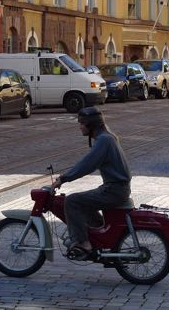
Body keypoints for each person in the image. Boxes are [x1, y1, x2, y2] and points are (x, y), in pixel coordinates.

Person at [51, 106, 132, 260]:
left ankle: (83, 243)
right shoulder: (107, 137)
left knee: (72, 201)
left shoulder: (104, 140)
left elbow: (86, 165)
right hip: (117, 188)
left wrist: (63, 178)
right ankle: (97, 235)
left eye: (82, 123)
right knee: (85, 202)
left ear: (91, 125)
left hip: (114, 190)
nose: (80, 126)